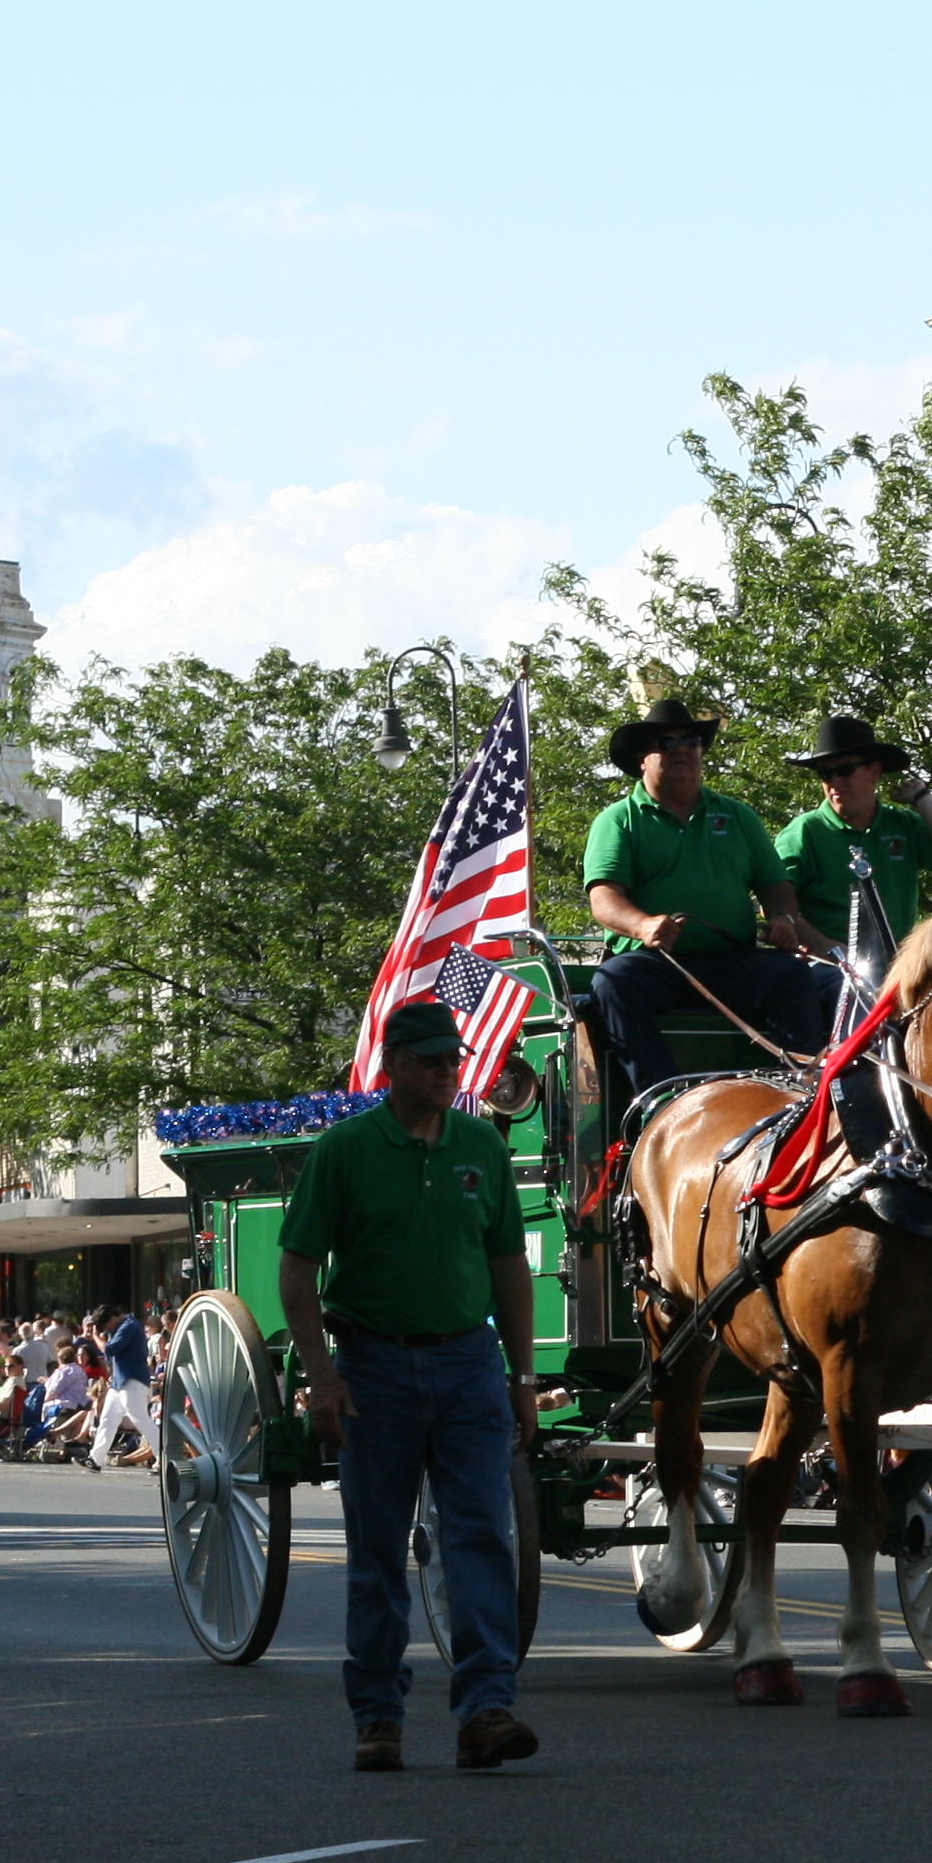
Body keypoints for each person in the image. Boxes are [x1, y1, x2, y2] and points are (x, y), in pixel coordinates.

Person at [278, 998, 541, 1772]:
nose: (446, 1070)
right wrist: (322, 1375)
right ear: (391, 1066)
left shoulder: (480, 1146)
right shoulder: (346, 1150)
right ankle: (378, 1716)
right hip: (375, 1369)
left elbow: (508, 1264)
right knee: (379, 1550)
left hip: (469, 1365)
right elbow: (297, 1268)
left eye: (452, 1059)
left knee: (481, 1538)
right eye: (430, 1060)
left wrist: (522, 1377)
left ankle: (486, 1709)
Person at [579, 692, 846, 1101]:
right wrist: (643, 925)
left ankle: (801, 1094)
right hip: (657, 965)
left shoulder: (738, 816)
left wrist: (783, 919)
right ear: (642, 759)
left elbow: (776, 886)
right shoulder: (619, 820)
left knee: (790, 975)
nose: (682, 749)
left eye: (691, 740)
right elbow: (604, 898)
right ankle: (662, 1099)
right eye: (666, 742)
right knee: (612, 983)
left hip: (732, 962)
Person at [769, 712, 932, 956]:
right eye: (825, 774)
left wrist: (922, 798)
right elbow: (773, 903)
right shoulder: (803, 832)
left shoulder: (903, 825)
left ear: (874, 772)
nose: (834, 781)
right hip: (829, 966)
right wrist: (826, 947)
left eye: (844, 770)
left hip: (900, 965)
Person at [90, 1297, 157, 1470]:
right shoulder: (121, 1327)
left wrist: (96, 1337)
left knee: (140, 1419)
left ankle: (164, 1455)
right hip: (120, 1381)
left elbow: (110, 1349)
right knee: (108, 1419)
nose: (107, 1329)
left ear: (112, 1317)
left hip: (133, 1380)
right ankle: (96, 1458)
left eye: (106, 1325)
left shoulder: (130, 1326)